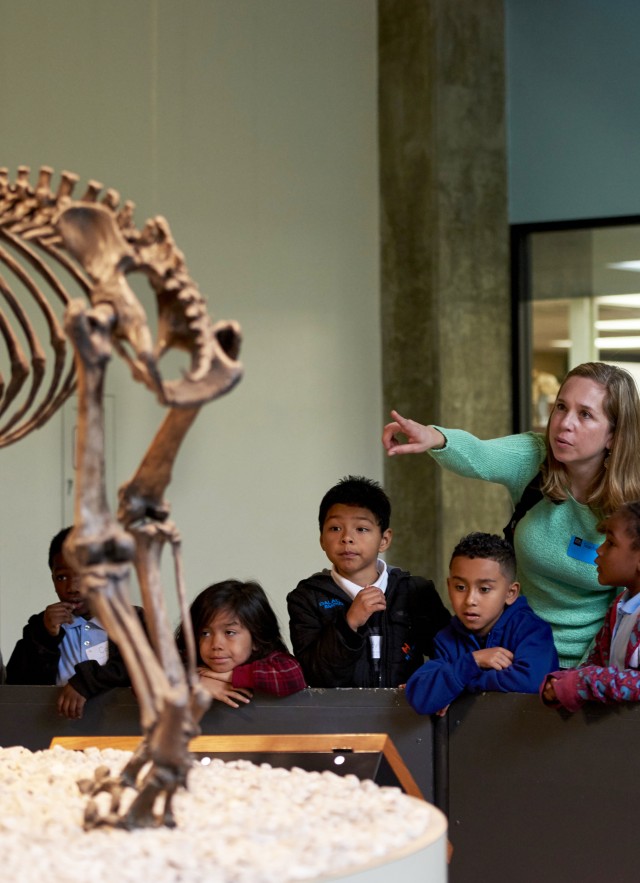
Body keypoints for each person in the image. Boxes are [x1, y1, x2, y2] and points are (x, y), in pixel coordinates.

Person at [382, 361, 640, 668]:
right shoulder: (535, 458)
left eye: (585, 414)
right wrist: (435, 437)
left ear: (613, 434)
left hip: (596, 664)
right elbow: (479, 454)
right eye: (561, 407)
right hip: (516, 653)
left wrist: (579, 675)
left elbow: (627, 601)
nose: (565, 423)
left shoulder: (631, 504)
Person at [287, 475, 451, 688]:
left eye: (361, 529)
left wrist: (433, 682)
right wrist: (349, 624)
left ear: (384, 540)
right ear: (321, 539)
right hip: (337, 718)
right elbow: (315, 675)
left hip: (406, 715)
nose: (347, 538)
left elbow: (450, 652)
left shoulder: (415, 592)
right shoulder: (307, 598)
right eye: (335, 528)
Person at [405, 532, 558, 716]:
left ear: (511, 593)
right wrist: (475, 660)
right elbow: (420, 696)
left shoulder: (531, 630)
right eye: (460, 587)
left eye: (484, 589)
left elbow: (531, 682)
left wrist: (461, 683)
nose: (470, 600)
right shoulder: (446, 639)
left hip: (532, 738)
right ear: (448, 586)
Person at [6, 526, 142, 718]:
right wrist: (46, 638)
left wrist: (84, 682)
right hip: (53, 731)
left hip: (119, 729)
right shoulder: (41, 626)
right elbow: (17, 684)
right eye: (62, 577)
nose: (72, 587)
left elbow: (137, 666)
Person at [541, 501, 640, 710]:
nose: (600, 551)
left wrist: (580, 683)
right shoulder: (619, 605)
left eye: (611, 543)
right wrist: (561, 682)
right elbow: (597, 661)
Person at [176, 579, 306, 708]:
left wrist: (231, 676)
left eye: (229, 632)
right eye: (205, 633)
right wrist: (198, 682)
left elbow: (293, 675)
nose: (216, 644)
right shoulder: (193, 661)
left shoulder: (271, 661)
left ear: (256, 638)